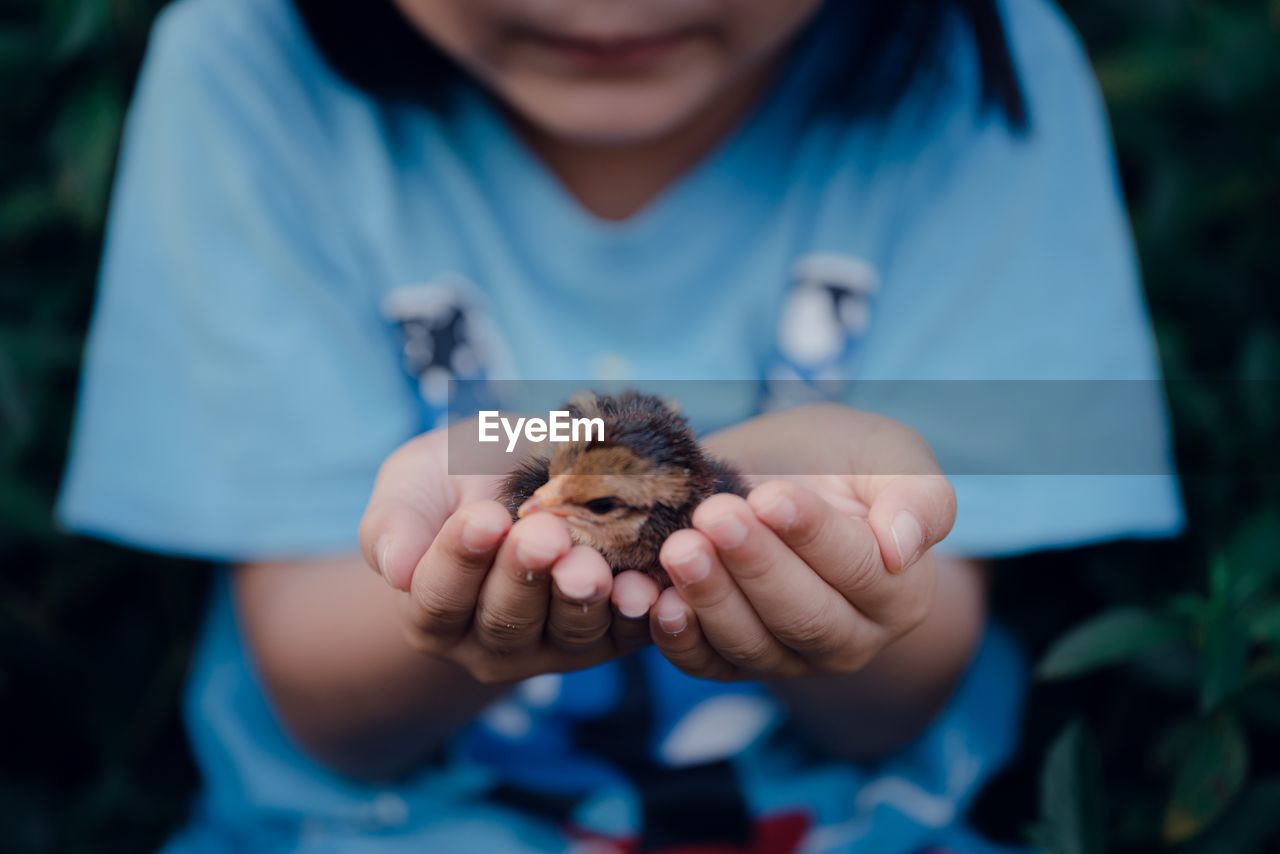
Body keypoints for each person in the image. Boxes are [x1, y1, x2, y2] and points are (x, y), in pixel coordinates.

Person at [57, 0, 1182, 850]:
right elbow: (328, 702)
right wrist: (486, 550)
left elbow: (895, 686)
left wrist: (799, 540)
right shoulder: (250, 64)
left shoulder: (978, 70)